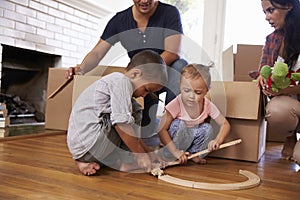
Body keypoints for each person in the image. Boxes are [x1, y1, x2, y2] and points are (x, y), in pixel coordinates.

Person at [66, 0, 187, 139]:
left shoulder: (169, 12)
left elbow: (173, 51)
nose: (144, 1)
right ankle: (150, 123)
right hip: (141, 81)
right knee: (145, 133)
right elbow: (98, 53)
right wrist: (80, 68)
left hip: (165, 74)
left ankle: (173, 131)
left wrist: (150, 74)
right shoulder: (119, 21)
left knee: (180, 66)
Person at [67, 50, 168, 176]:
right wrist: (139, 155)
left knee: (133, 109)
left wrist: (148, 153)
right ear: (135, 74)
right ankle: (124, 160)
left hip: (86, 150)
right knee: (125, 118)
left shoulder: (122, 90)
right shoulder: (120, 81)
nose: (143, 95)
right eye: (146, 90)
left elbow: (133, 134)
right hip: (89, 143)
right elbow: (122, 125)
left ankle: (91, 162)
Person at [253, 0, 300, 162]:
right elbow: (262, 70)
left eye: (271, 10)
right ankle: (290, 136)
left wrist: (285, 90)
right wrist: (262, 79)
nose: (267, 17)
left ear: (289, 6)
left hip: (293, 97)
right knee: (276, 111)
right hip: (292, 106)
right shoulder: (272, 39)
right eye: (265, 12)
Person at [157, 64, 230, 164]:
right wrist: (175, 151)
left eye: (198, 92)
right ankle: (171, 155)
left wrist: (217, 140)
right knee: (179, 124)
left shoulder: (207, 105)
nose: (191, 96)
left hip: (191, 138)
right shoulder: (176, 103)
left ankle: (193, 154)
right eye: (186, 90)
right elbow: (161, 129)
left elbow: (225, 124)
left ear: (206, 91)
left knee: (207, 128)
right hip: (174, 144)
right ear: (180, 86)